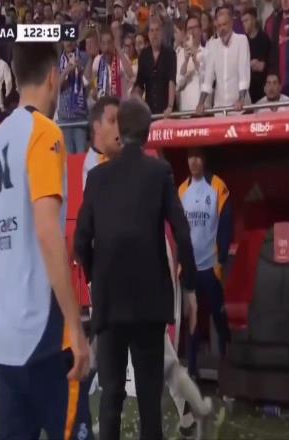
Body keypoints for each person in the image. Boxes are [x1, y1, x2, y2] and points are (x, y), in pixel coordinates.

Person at [0, 42, 89, 440]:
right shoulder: (44, 132)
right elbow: (47, 231)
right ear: (53, 77)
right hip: (41, 336)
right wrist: (74, 325)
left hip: (1, 336)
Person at [82, 96, 211, 437]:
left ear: (120, 129)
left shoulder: (96, 177)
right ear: (149, 133)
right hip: (149, 303)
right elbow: (182, 232)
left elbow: (81, 242)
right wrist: (190, 288)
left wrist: (97, 278)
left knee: (111, 396)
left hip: (111, 302)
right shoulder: (159, 172)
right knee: (149, 401)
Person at [179, 149, 232, 380]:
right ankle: (192, 370)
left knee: (219, 319)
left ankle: (227, 370)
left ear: (204, 159)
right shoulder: (182, 190)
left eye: (198, 156)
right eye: (190, 157)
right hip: (190, 269)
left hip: (211, 268)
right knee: (192, 320)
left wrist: (222, 258)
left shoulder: (218, 186)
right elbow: (179, 229)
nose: (193, 161)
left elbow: (226, 223)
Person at [197, 6, 250, 114]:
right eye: (219, 26)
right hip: (220, 108)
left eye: (225, 24)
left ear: (231, 23)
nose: (222, 29)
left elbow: (244, 73)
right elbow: (208, 78)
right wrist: (201, 103)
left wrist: (241, 99)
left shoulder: (241, 40)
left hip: (240, 109)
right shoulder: (212, 45)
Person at [133, 17, 177, 117]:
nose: (154, 34)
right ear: (148, 34)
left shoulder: (170, 53)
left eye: (157, 30)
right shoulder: (144, 55)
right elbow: (139, 83)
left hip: (167, 109)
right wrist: (137, 105)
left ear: (162, 33)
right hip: (150, 110)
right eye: (152, 31)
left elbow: (172, 80)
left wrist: (170, 106)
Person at [241, 6, 270, 103]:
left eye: (246, 20)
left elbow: (270, 62)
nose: (244, 24)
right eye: (243, 22)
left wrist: (263, 65)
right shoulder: (243, 41)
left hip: (262, 87)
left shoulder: (264, 39)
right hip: (248, 89)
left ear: (254, 20)